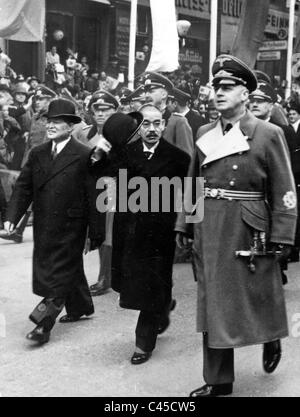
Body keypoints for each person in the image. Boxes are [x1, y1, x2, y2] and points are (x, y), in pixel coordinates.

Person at [176, 54, 297, 397]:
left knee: (258, 295)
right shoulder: (204, 133)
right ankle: (219, 380)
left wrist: (283, 233)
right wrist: (184, 224)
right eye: (216, 87)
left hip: (249, 225)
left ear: (246, 93)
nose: (219, 93)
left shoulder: (267, 133)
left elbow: (284, 188)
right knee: (212, 302)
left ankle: (271, 337)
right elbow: (193, 182)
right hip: (210, 225)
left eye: (228, 87)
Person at [91, 104, 190, 364]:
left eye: (157, 123)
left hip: (160, 233)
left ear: (164, 125)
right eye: (146, 124)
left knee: (151, 285)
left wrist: (188, 228)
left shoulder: (178, 157)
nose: (152, 129)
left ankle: (142, 343)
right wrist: (100, 152)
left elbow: (192, 194)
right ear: (138, 128)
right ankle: (163, 305)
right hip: (129, 231)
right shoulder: (124, 154)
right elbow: (97, 178)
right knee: (130, 284)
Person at [3, 98, 95, 344]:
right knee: (66, 268)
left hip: (72, 225)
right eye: (49, 122)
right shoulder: (38, 153)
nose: (51, 126)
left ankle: (43, 324)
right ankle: (80, 306)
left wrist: (94, 233)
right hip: (44, 222)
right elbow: (24, 187)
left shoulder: (84, 154)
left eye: (58, 122)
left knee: (59, 273)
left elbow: (93, 195)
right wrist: (12, 216)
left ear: (70, 125)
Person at [249, 82, 299, 276]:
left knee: (272, 238)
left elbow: (291, 167)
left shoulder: (283, 131)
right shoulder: (240, 129)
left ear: (270, 105)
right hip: (252, 194)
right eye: (252, 100)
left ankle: (276, 271)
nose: (255, 104)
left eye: (260, 101)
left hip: (274, 192)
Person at [87, 90, 119, 297]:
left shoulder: (121, 133)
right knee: (98, 232)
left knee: (109, 235)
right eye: (96, 109)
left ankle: (105, 278)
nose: (100, 113)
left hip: (113, 187)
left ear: (114, 111)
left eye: (105, 109)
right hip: (92, 188)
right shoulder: (87, 134)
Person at [164, 89, 194, 157]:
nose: (167, 106)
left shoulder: (198, 120)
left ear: (175, 104)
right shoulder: (168, 117)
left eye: (168, 103)